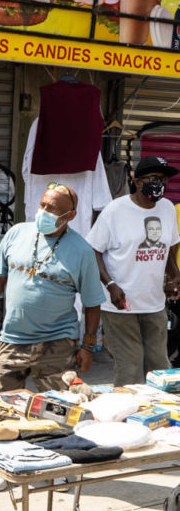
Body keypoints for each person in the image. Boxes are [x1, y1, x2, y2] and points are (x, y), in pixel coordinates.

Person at [0, 185, 104, 491]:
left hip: (57, 344)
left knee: (58, 410)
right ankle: (5, 467)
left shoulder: (81, 250)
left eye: (53, 209)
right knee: (1, 407)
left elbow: (93, 303)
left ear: (70, 216)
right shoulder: (17, 233)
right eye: (43, 204)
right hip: (12, 339)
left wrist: (87, 345)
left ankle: (59, 465)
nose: (44, 211)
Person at [87, 156, 180, 386]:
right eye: (154, 179)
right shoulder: (116, 210)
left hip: (154, 305)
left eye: (163, 180)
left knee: (160, 371)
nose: (160, 185)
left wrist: (174, 275)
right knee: (130, 371)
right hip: (121, 306)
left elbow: (170, 245)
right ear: (138, 182)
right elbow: (93, 250)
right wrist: (110, 285)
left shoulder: (167, 208)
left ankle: (157, 419)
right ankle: (128, 420)